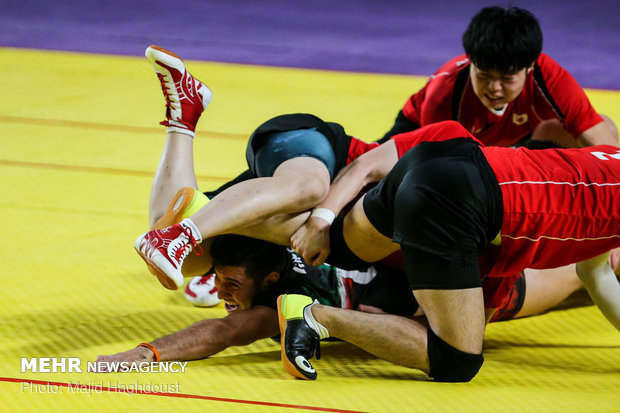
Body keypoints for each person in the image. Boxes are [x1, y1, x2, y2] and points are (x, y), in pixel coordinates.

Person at [279, 120, 620, 382]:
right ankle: (313, 317)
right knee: (458, 359)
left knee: (339, 246)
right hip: (459, 199)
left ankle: (230, 229)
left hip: (437, 159)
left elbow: (594, 271)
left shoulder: (607, 161)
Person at [134, 45, 379, 290]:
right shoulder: (412, 164)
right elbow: (364, 167)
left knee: (184, 257)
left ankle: (183, 119)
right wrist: (321, 220)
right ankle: (181, 236)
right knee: (312, 190)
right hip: (317, 158)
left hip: (303, 223)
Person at [380, 6, 617, 149]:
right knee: (368, 174)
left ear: (530, 66)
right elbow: (433, 165)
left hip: (514, 140)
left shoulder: (550, 79)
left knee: (604, 127)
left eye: (506, 78)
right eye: (484, 76)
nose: (494, 88)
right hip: (420, 131)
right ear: (471, 60)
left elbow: (609, 152)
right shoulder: (445, 94)